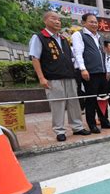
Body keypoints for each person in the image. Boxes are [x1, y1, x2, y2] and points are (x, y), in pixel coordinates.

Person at [29, 11, 90, 142]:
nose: (57, 21)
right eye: (53, 19)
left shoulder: (63, 39)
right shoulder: (39, 37)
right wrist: (41, 78)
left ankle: (77, 127)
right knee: (58, 104)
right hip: (53, 78)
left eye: (59, 20)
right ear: (45, 21)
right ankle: (60, 130)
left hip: (69, 76)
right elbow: (35, 58)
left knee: (74, 103)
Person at [72, 13, 110, 134]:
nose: (94, 24)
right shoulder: (79, 35)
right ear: (83, 23)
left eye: (96, 22)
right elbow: (78, 53)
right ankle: (91, 124)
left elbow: (103, 54)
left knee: (103, 98)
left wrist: (107, 70)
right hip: (90, 72)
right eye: (91, 21)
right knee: (91, 99)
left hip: (102, 72)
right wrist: (83, 69)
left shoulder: (99, 37)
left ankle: (104, 121)